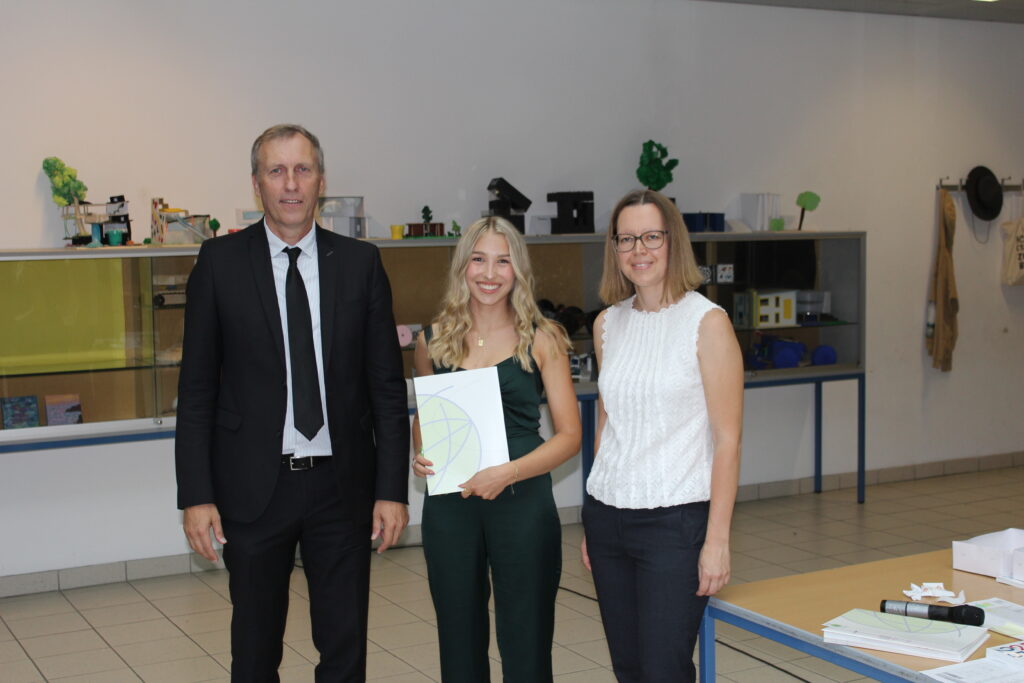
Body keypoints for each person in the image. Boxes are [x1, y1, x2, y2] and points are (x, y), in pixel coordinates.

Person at [175, 123, 410, 682]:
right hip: (254, 489)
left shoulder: (360, 263)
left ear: (321, 181)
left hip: (342, 488)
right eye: (276, 171)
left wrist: (391, 490)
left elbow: (386, 388)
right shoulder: (219, 263)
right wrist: (196, 495)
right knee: (255, 653)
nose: (290, 184)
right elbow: (197, 390)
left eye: (302, 170)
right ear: (256, 183)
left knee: (344, 651)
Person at [581, 189, 743, 683]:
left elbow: (728, 440)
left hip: (675, 525)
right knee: (629, 669)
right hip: (608, 520)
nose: (639, 250)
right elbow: (608, 423)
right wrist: (593, 516)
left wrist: (717, 540)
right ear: (614, 248)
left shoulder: (707, 323)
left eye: (651, 236)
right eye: (626, 239)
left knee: (663, 670)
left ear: (673, 242)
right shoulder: (608, 323)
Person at [412, 216, 582, 682]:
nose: (489, 273)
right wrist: (420, 451)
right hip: (452, 504)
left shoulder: (542, 337)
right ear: (462, 266)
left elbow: (570, 436)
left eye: (502, 261)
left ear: (518, 269)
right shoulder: (432, 339)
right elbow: (425, 418)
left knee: (526, 635)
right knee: (458, 635)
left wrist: (508, 472)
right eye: (478, 260)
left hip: (521, 499)